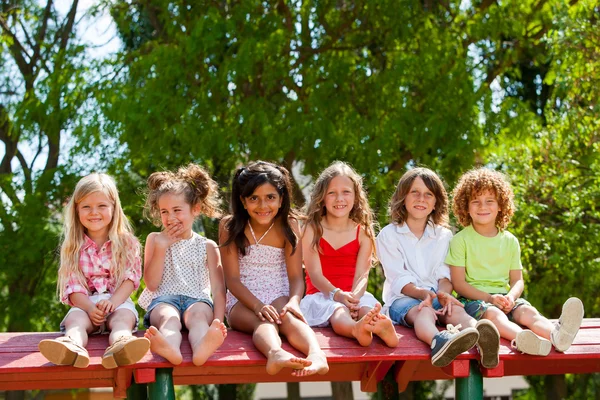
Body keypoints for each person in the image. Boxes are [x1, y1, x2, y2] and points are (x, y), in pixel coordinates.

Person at [447, 168, 584, 356]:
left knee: (528, 312)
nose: (482, 206)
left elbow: (518, 280)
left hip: (505, 297)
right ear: (466, 207)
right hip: (475, 301)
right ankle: (524, 339)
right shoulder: (460, 240)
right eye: (475, 201)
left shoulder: (510, 240)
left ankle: (557, 335)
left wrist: (511, 297)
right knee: (494, 316)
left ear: (501, 205)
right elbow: (459, 284)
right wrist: (489, 298)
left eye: (489, 201)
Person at [377, 168, 500, 368]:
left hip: (436, 295)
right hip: (403, 300)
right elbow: (399, 278)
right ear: (403, 197)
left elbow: (445, 276)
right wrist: (425, 295)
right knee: (424, 312)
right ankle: (438, 341)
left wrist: (443, 295)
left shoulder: (444, 236)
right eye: (414, 192)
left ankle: (482, 337)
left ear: (435, 203)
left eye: (428, 194)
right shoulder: (389, 235)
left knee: (456, 311)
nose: (421, 199)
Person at [220, 161, 329, 377]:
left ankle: (317, 355)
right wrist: (258, 305)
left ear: (281, 199)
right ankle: (275, 353)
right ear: (243, 201)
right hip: (242, 299)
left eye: (270, 197)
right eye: (254, 198)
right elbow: (231, 280)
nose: (263, 206)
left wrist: (293, 302)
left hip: (278, 293)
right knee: (263, 320)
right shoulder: (229, 226)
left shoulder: (289, 225)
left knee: (287, 318)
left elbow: (297, 277)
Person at [39, 173, 149, 369]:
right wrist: (90, 309)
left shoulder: (127, 242)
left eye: (102, 206)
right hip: (86, 304)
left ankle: (121, 345)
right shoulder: (72, 246)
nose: (94, 212)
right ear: (77, 211)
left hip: (118, 302)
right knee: (75, 321)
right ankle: (72, 345)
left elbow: (130, 279)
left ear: (114, 208)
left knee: (123, 320)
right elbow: (72, 288)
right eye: (86, 207)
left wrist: (113, 302)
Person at [300, 161, 398, 347]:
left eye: (346, 192)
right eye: (332, 193)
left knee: (367, 309)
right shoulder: (312, 229)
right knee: (338, 312)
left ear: (355, 196)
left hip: (354, 294)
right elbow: (315, 274)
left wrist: (354, 299)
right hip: (323, 295)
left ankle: (382, 328)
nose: (340, 199)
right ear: (322, 197)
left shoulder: (363, 231)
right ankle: (355, 329)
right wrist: (338, 295)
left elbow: (362, 274)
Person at [139, 164, 227, 366]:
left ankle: (202, 347)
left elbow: (218, 289)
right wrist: (161, 247)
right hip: (163, 299)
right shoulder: (154, 239)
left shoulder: (207, 246)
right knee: (168, 317)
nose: (170, 218)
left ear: (195, 209)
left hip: (198, 300)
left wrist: (217, 321)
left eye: (177, 210)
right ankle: (170, 347)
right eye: (164, 211)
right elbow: (151, 284)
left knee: (197, 318)